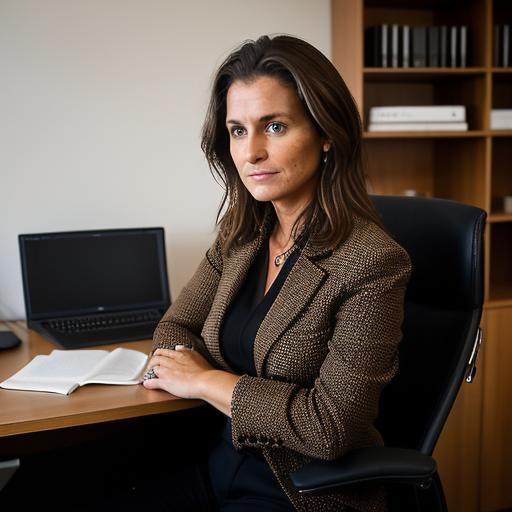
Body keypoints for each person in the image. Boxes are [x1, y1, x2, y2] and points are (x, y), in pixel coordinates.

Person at [142, 34, 411, 512]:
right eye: (238, 130)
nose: (251, 153)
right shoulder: (242, 234)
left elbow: (329, 427)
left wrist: (206, 382)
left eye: (276, 127)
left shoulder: (370, 262)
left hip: (300, 491)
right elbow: (174, 327)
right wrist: (195, 372)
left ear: (326, 134)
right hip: (215, 464)